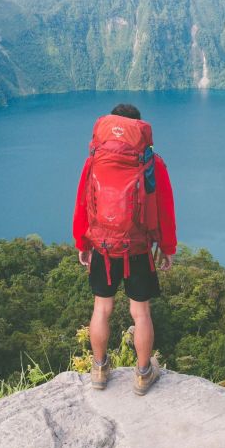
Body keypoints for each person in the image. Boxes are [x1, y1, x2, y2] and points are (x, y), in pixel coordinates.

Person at [72, 103, 177, 395]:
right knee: (140, 313)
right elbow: (166, 209)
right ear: (138, 128)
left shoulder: (94, 159)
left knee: (101, 309)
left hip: (103, 247)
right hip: (139, 248)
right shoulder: (151, 162)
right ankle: (143, 373)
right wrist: (167, 247)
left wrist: (83, 242)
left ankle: (99, 369)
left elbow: (82, 202)